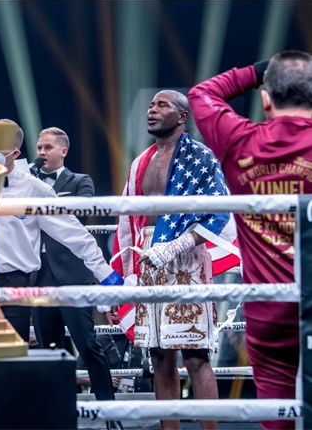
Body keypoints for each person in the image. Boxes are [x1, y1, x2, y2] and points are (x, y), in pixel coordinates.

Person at [188, 50, 312, 430]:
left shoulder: (240, 140)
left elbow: (201, 94)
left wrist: (260, 72)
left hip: (267, 309)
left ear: (265, 98)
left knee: (276, 418)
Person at [0, 119, 124, 430]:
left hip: (25, 283)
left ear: (13, 150)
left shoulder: (37, 187)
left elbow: (75, 231)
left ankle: (103, 414)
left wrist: (107, 275)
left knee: (74, 348)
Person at [110, 90, 238, 430]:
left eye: (161, 105)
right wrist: (127, 277)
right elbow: (127, 223)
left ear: (182, 116)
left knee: (196, 355)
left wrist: (178, 244)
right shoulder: (140, 162)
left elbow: (219, 213)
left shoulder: (200, 158)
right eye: (151, 105)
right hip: (147, 259)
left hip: (186, 261)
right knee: (158, 356)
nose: (152, 110)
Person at [29, 126, 118, 407]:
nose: (41, 152)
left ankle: (109, 411)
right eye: (39, 147)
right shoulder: (27, 182)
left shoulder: (80, 181)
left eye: (48, 148)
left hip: (72, 273)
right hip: (38, 274)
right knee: (49, 350)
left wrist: (41, 194)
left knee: (89, 345)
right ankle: (57, 412)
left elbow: (81, 215)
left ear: (63, 151)